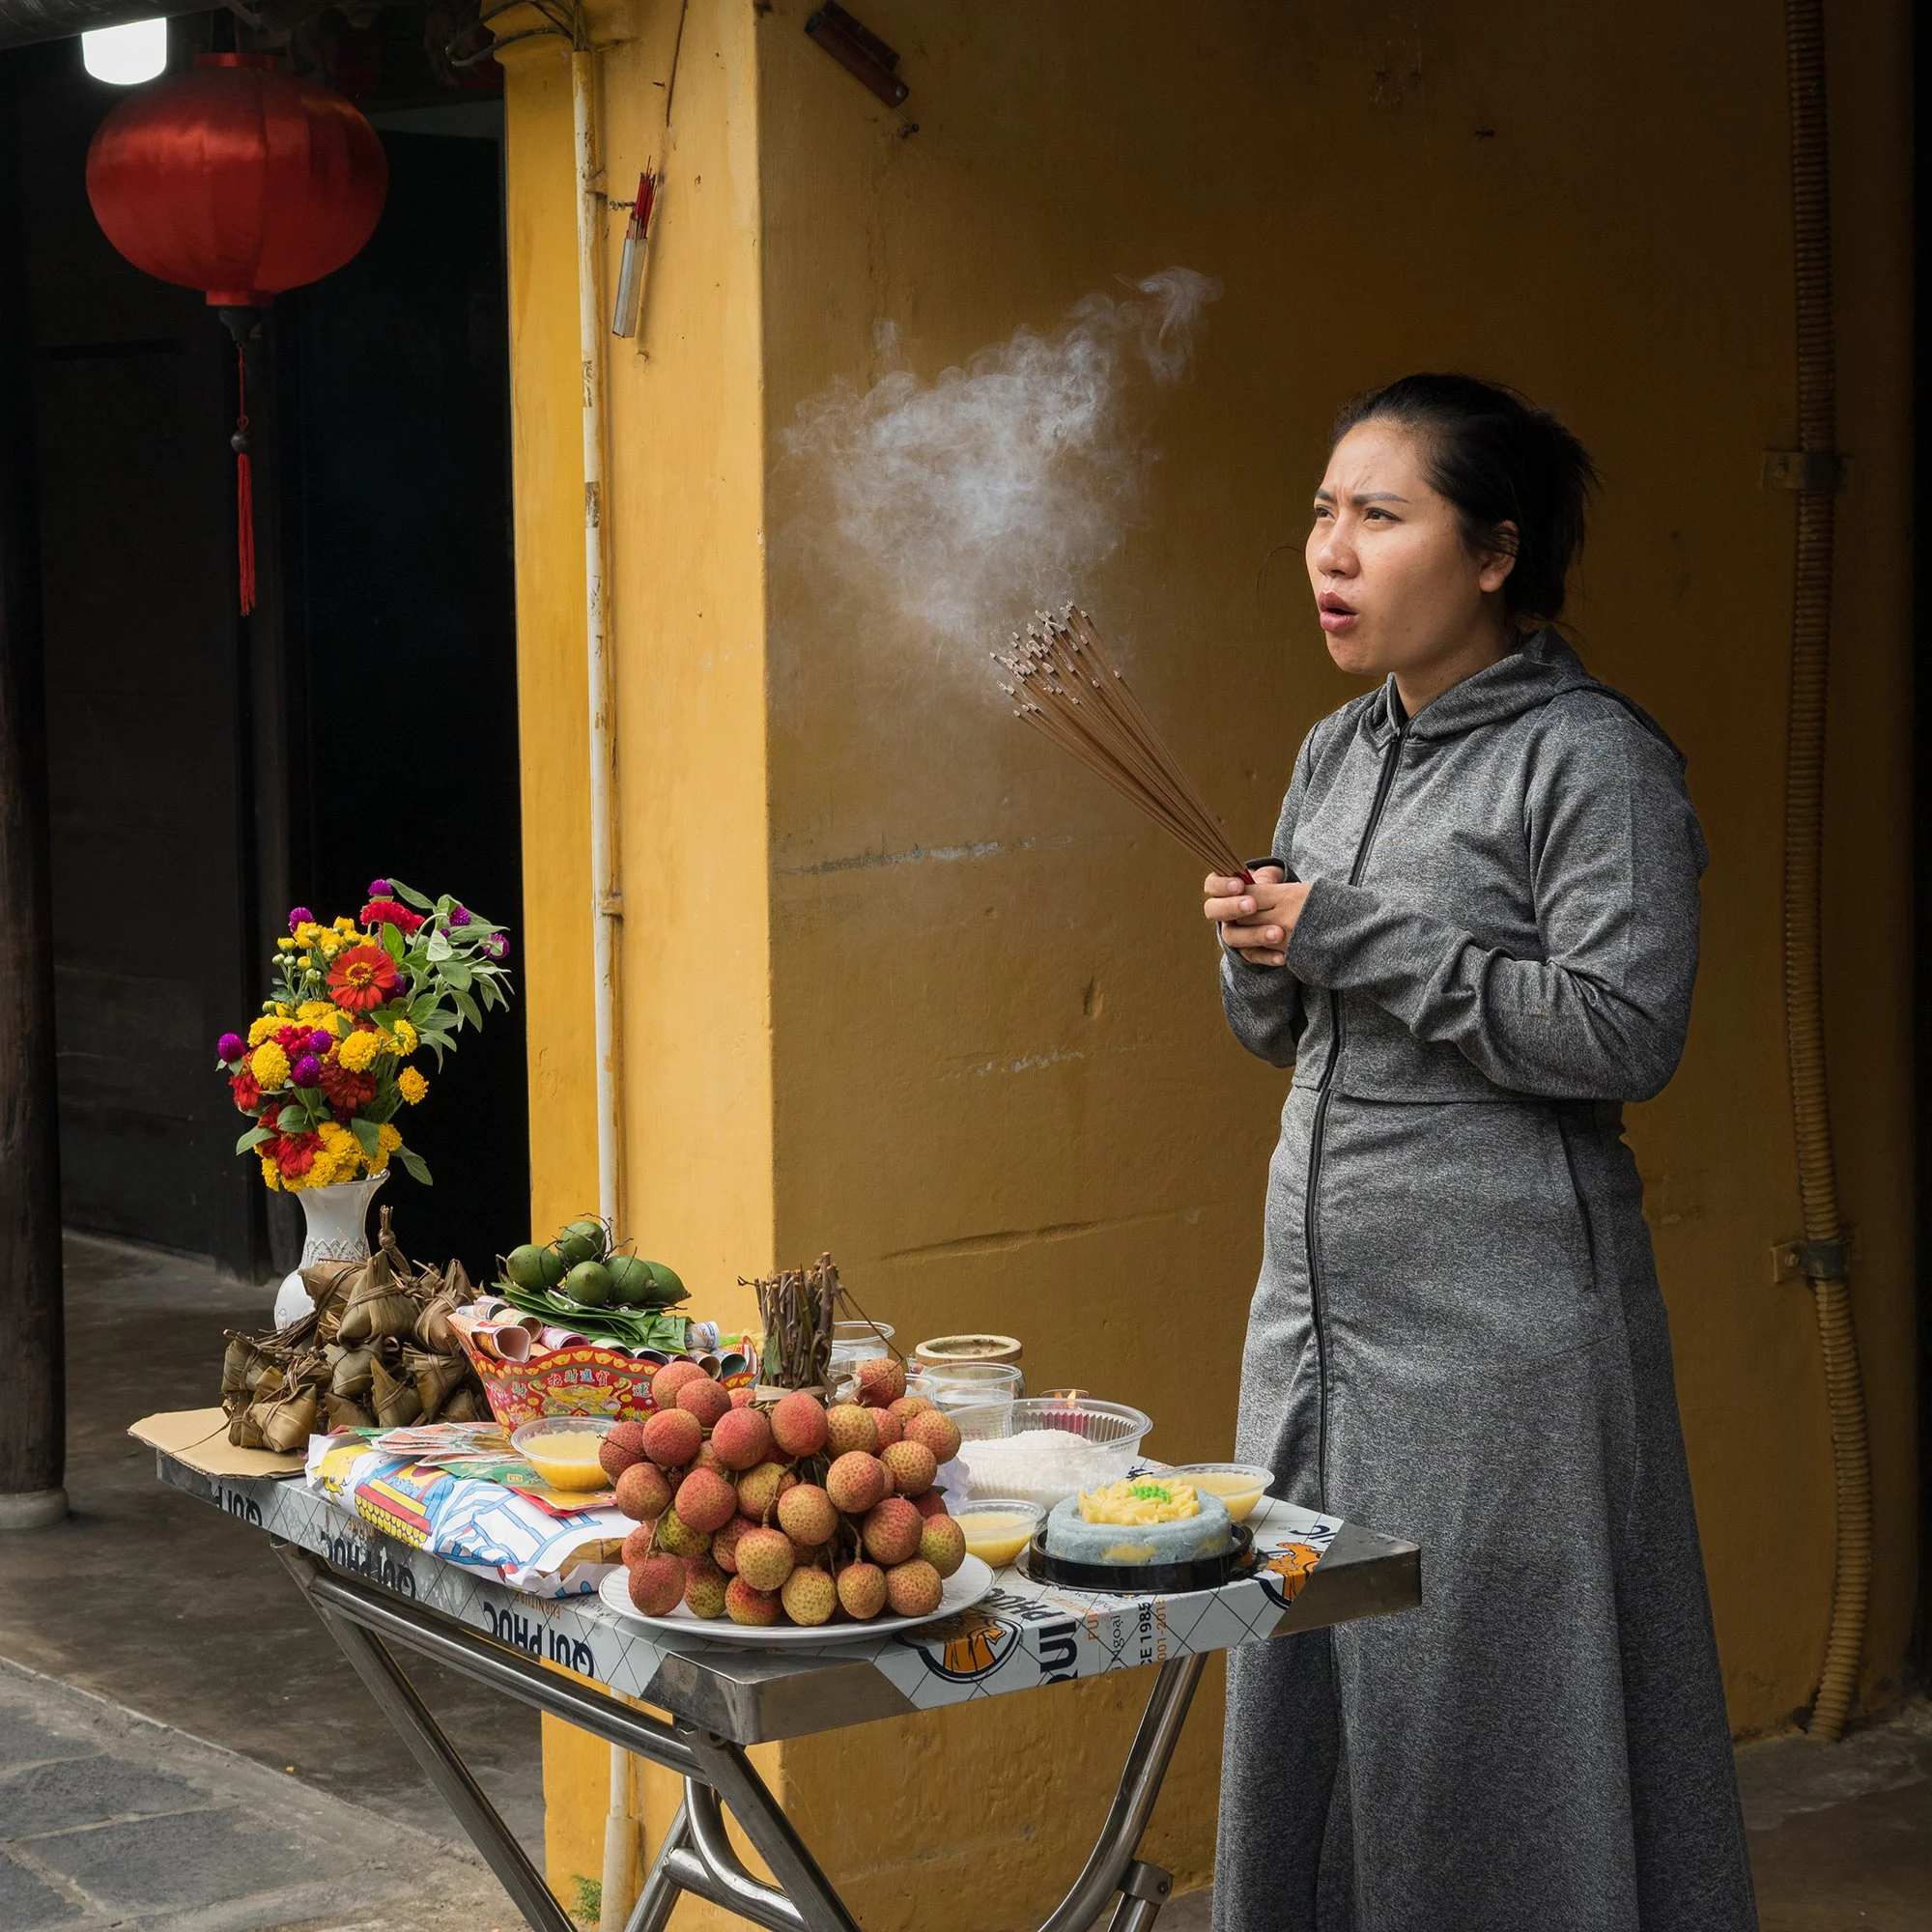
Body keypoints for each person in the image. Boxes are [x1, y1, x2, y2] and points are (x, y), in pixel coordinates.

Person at [1204, 375, 1758, 1931]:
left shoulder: (1593, 761)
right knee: (1311, 1679)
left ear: (1498, 553)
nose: (1334, 548)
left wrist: (1354, 932)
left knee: (1491, 1710)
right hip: (1316, 1330)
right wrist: (1263, 955)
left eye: (1381, 515)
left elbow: (1619, 1033)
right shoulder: (1334, 753)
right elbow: (1291, 1041)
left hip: (1506, 1340)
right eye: (1324, 511)